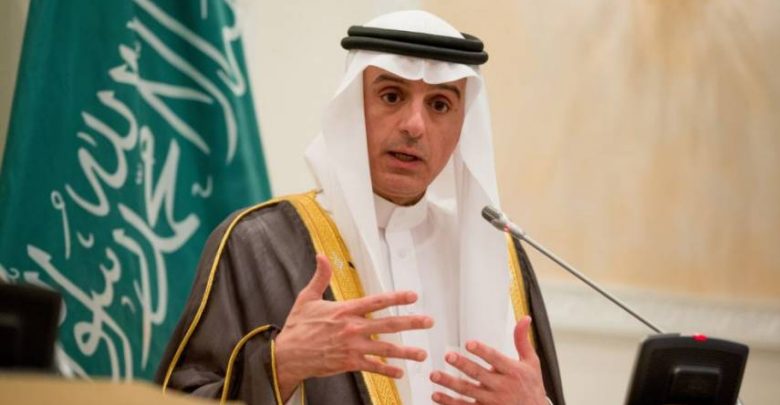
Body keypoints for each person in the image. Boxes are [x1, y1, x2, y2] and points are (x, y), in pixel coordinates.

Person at [156, 10, 565, 405]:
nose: (414, 126)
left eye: (440, 105)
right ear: (351, 108)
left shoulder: (498, 257)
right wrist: (279, 366)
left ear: (462, 127)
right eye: (392, 96)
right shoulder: (259, 243)